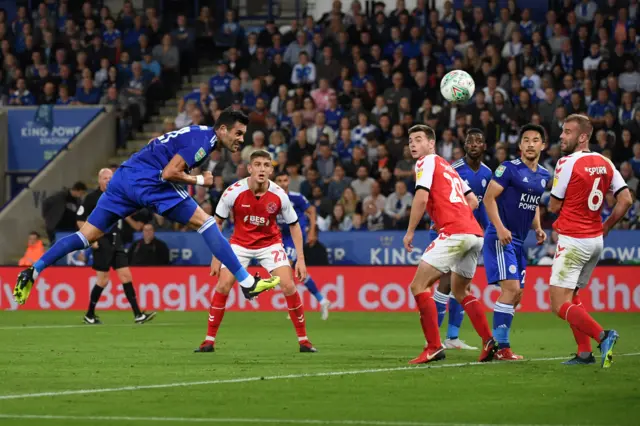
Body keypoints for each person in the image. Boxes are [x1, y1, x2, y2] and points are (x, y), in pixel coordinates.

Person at [14, 108, 280, 306]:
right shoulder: (205, 142)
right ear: (222, 129)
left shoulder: (198, 134)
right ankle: (247, 283)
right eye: (237, 133)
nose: (240, 139)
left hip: (124, 177)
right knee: (206, 222)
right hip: (148, 180)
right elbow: (168, 173)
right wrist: (201, 179)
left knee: (86, 237)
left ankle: (33, 270)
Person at [195, 150, 316, 353]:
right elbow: (216, 223)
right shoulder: (233, 192)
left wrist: (301, 259)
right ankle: (208, 341)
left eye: (266, 165)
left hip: (270, 244)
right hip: (239, 244)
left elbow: (294, 225)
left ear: (270, 169)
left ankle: (304, 341)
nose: (262, 169)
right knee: (223, 285)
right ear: (249, 168)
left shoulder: (279, 195)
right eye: (257, 164)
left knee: (288, 286)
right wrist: (216, 256)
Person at [403, 124, 498, 364]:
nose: (413, 144)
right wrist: (451, 214)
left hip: (455, 233)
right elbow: (473, 202)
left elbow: (422, 197)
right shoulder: (448, 166)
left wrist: (410, 230)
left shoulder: (425, 163)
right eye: (410, 140)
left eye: (418, 139)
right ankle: (488, 340)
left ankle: (434, 346)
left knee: (418, 286)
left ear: (431, 144)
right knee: (460, 291)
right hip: (474, 235)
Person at [547, 114, 632, 367]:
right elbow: (626, 199)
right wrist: (606, 226)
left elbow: (553, 204)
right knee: (572, 297)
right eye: (562, 131)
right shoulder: (606, 162)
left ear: (583, 136)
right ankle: (584, 353)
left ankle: (603, 335)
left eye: (568, 132)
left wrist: (562, 214)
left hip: (574, 240)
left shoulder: (566, 163)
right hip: (595, 240)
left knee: (558, 304)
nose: (562, 136)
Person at [482, 124, 550, 360]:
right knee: (510, 290)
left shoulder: (543, 175)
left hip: (520, 241)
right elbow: (488, 198)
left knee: (517, 294)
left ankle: (499, 345)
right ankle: (501, 348)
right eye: (526, 140)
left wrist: (538, 227)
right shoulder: (507, 169)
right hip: (501, 237)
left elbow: (532, 204)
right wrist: (500, 228)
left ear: (543, 145)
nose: (531, 144)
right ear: (520, 145)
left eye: (535, 140)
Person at [431, 129, 493, 351]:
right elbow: (436, 196)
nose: (474, 144)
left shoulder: (487, 173)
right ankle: (434, 338)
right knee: (446, 282)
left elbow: (484, 205)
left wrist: (489, 230)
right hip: (447, 230)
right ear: (464, 145)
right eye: (470, 141)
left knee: (462, 284)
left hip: (470, 233)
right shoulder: (453, 170)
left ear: (484, 146)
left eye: (479, 140)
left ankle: (452, 337)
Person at [77, 168, 156, 325]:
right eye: (105, 178)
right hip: (102, 240)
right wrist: (91, 240)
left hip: (116, 239)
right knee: (103, 280)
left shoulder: (117, 194)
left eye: (110, 177)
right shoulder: (91, 198)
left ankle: (138, 315)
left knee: (126, 276)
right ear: (99, 180)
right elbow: (80, 220)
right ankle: (89, 314)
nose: (108, 180)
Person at [274, 171, 332, 320]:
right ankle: (322, 300)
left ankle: (293, 306)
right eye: (279, 180)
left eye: (285, 180)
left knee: (287, 266)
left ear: (288, 182)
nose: (282, 183)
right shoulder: (271, 198)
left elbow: (311, 210)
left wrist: (312, 231)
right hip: (283, 236)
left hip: (296, 235)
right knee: (296, 271)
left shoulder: (296, 197)